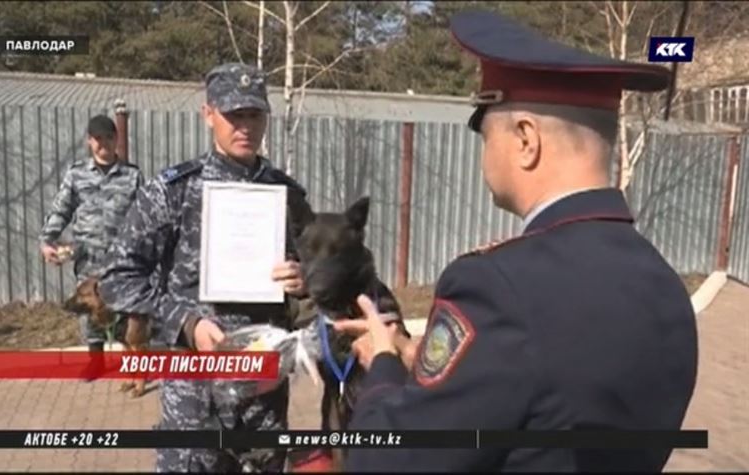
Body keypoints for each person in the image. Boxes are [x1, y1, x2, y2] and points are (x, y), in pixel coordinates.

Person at [333, 10, 699, 473]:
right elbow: (549, 395)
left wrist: (383, 367)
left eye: (486, 134)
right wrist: (419, 361)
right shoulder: (665, 286)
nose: (484, 153)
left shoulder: (496, 286)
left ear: (526, 139)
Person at [96, 62, 315, 473]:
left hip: (262, 401)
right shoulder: (172, 191)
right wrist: (186, 322)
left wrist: (305, 280)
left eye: (255, 114)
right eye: (234, 115)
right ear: (208, 114)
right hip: (193, 404)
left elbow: (320, 275)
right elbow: (117, 278)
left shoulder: (287, 195)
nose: (245, 126)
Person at [39, 114, 145, 371]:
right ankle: (95, 361)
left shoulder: (132, 176)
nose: (103, 144)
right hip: (88, 256)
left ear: (116, 139)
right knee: (89, 310)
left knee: (126, 311)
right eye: (98, 139)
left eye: (108, 137)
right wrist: (47, 240)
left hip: (121, 259)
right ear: (89, 141)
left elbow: (145, 215)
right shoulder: (76, 175)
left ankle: (131, 361)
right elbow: (61, 209)